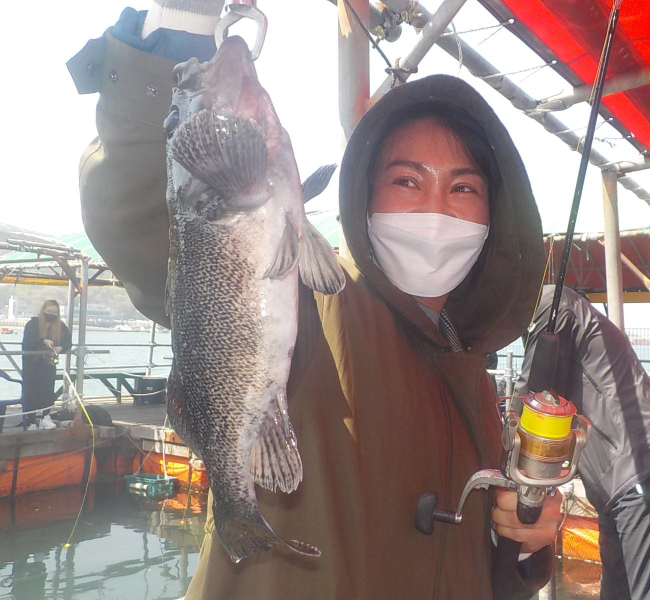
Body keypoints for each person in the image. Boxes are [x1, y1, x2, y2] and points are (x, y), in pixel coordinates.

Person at [68, 3, 561, 597]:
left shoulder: (475, 369)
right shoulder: (314, 303)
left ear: (493, 215)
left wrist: (525, 544)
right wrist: (182, 22)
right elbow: (151, 216)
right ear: (364, 196)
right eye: (406, 180)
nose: (435, 209)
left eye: (462, 187)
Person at [515, 285, 650, 600]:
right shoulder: (572, 318)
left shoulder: (554, 304)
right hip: (616, 485)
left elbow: (532, 395)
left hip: (644, 469)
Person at [21, 300, 72, 430]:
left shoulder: (60, 326)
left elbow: (68, 342)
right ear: (43, 310)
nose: (52, 314)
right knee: (30, 392)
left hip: (48, 364)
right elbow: (28, 341)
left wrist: (61, 347)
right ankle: (30, 420)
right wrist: (43, 341)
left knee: (48, 391)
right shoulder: (32, 324)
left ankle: (46, 417)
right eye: (49, 311)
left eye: (54, 312)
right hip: (32, 365)